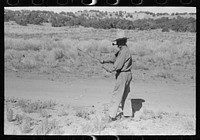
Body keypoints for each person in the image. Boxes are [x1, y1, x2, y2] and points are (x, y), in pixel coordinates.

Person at [100, 31, 133, 121]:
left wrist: (110, 70)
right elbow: (114, 59)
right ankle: (128, 114)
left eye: (117, 41)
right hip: (128, 74)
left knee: (117, 94)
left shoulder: (123, 51)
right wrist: (104, 61)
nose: (116, 43)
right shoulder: (124, 50)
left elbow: (117, 65)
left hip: (123, 75)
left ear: (121, 41)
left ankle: (111, 116)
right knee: (126, 94)